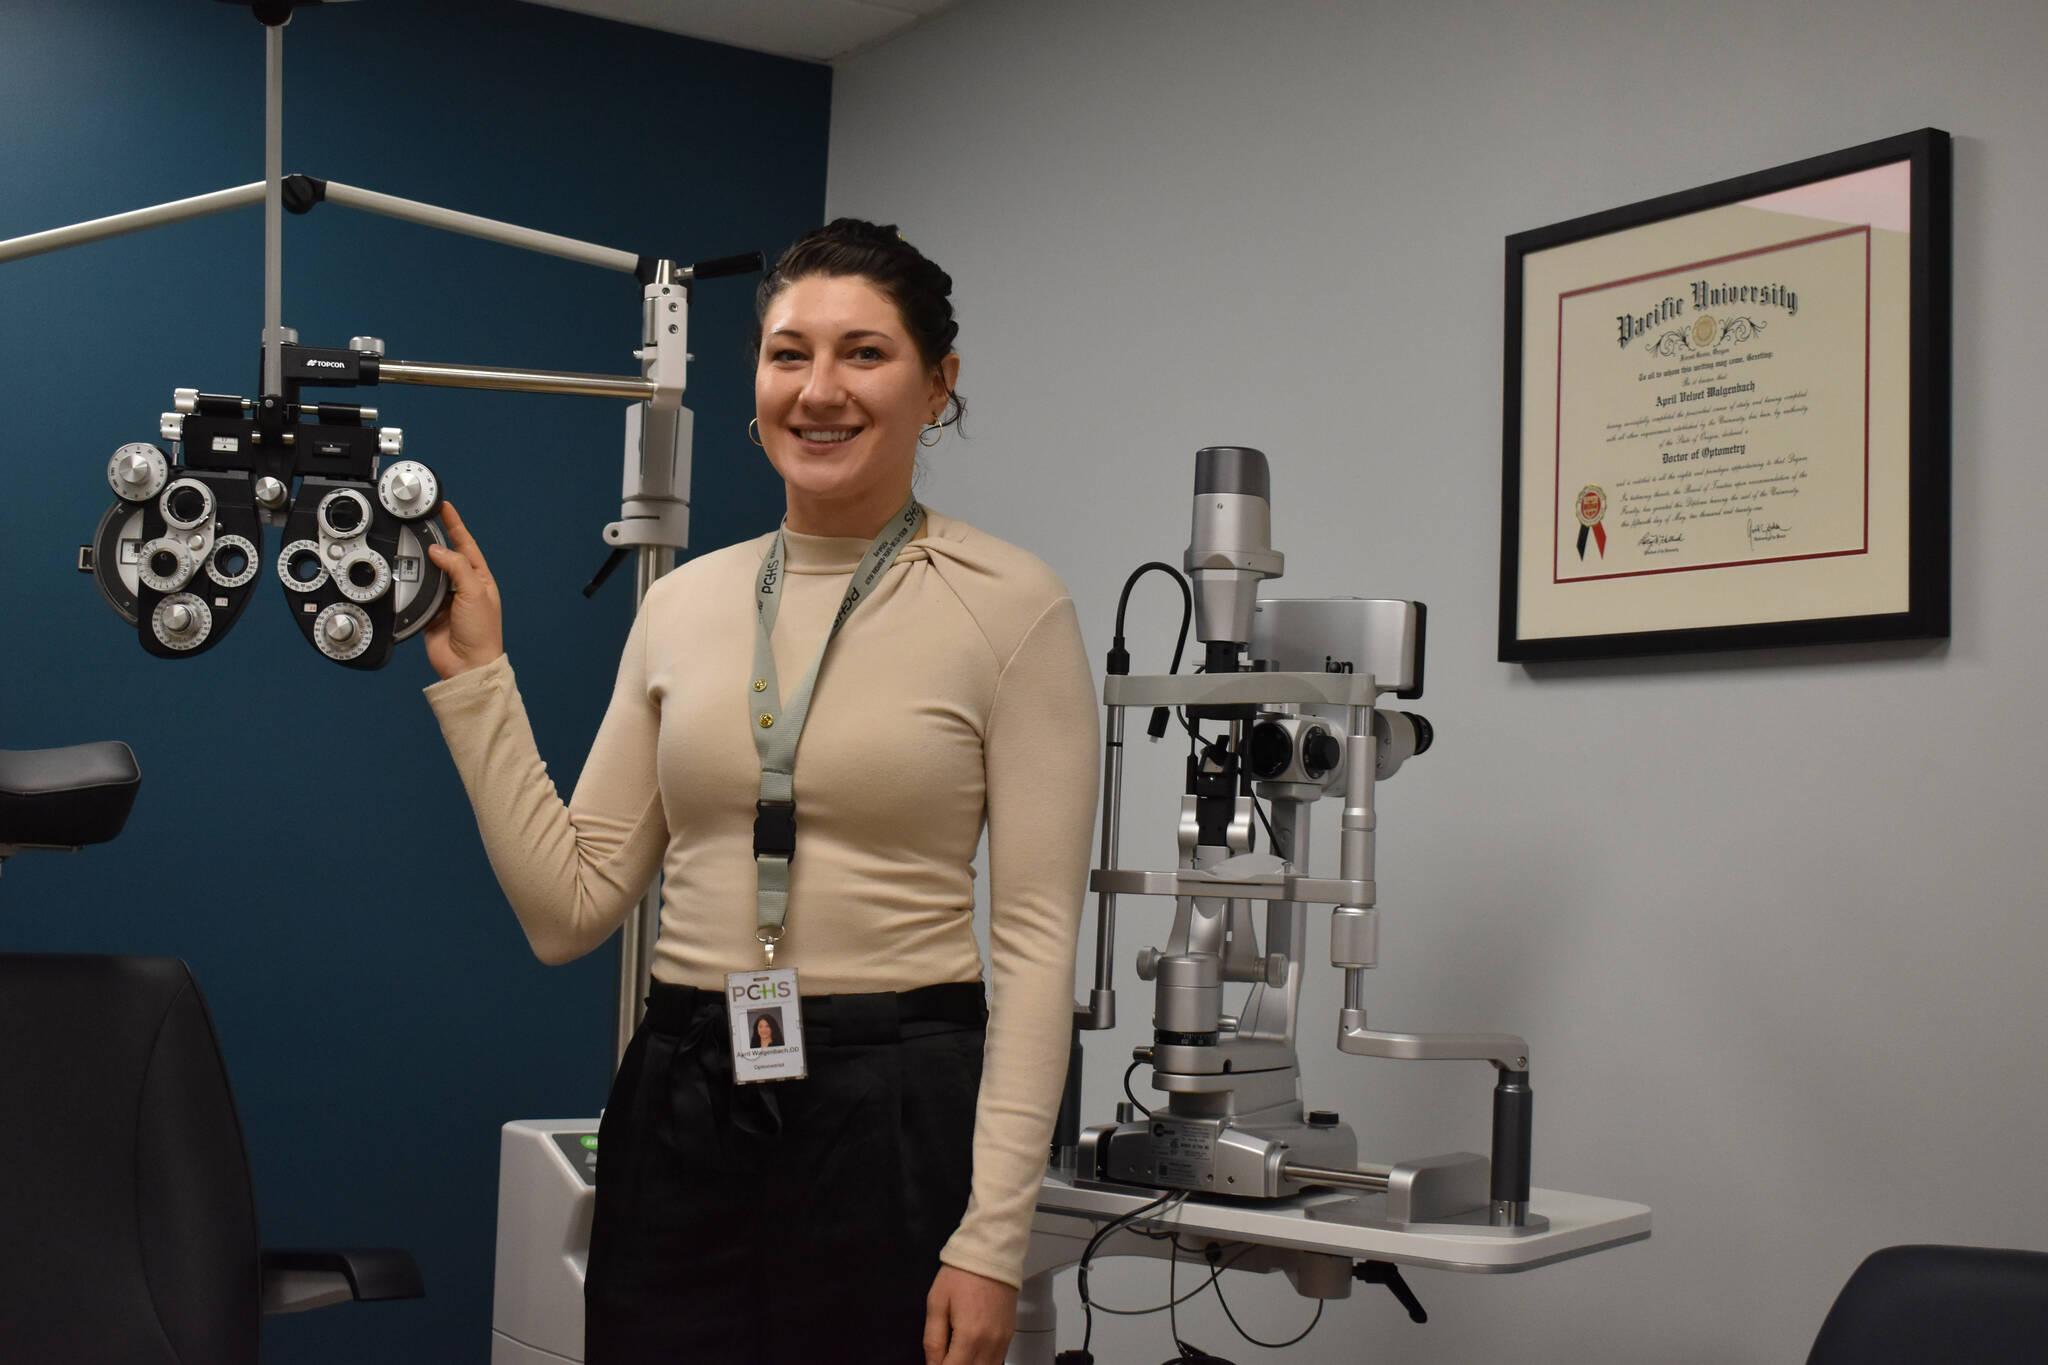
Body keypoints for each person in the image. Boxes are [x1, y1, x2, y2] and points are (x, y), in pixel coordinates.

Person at [420, 218, 1099, 1365]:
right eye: (789, 353)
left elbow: (1034, 943)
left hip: (895, 1102)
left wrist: (990, 1241)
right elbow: (568, 908)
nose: (818, 390)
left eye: (863, 353)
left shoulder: (1012, 606)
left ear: (938, 385)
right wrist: (481, 680)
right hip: (683, 1090)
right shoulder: (683, 603)